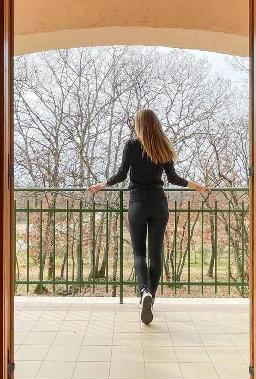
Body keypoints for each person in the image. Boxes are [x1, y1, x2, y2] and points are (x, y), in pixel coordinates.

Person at [88, 109, 210, 324]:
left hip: (137, 204)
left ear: (139, 125)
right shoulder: (163, 146)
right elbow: (173, 178)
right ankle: (150, 297)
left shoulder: (131, 145)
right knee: (156, 255)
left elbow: (121, 175)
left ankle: (144, 290)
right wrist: (197, 186)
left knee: (139, 254)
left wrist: (101, 185)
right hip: (158, 204)